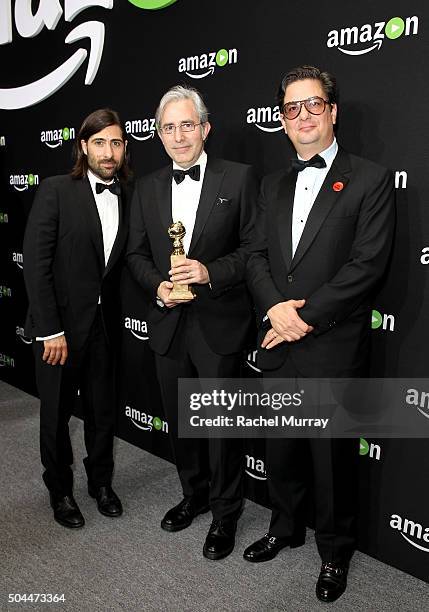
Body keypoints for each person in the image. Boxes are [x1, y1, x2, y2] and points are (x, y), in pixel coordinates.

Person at [244, 66, 395, 602]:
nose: (302, 116)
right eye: (291, 109)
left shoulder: (371, 179)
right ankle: (284, 527)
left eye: (312, 105)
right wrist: (273, 310)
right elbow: (257, 256)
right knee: (281, 449)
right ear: (282, 121)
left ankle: (334, 553)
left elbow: (367, 265)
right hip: (278, 341)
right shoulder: (272, 184)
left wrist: (301, 319)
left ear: (333, 111)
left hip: (329, 343)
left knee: (332, 460)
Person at [127, 85, 258, 560]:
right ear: (158, 134)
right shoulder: (146, 187)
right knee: (182, 422)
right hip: (167, 323)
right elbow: (136, 255)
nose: (178, 135)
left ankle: (226, 514)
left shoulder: (240, 179)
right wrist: (157, 286)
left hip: (219, 322)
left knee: (221, 427)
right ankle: (194, 494)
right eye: (168, 127)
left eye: (187, 125)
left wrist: (209, 272)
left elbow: (252, 252)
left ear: (205, 129)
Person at [23, 109, 132, 528]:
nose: (108, 152)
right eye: (100, 142)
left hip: (105, 329)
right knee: (55, 414)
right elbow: (36, 264)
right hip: (59, 331)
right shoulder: (55, 191)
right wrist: (50, 329)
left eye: (116, 143)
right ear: (84, 145)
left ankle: (100, 483)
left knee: (103, 411)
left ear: (124, 149)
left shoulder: (128, 193)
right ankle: (60, 490)